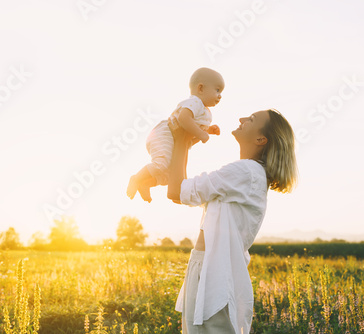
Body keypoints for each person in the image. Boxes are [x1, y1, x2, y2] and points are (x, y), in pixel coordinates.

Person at [167, 109, 298, 334]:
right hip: (207, 266)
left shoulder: (245, 171)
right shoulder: (250, 175)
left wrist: (181, 137)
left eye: (252, 119)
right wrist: (185, 141)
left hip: (213, 271)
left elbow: (176, 191)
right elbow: (183, 193)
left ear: (260, 139)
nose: (241, 119)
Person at [126, 68, 224, 203]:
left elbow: (191, 132)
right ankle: (136, 178)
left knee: (169, 176)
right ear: (200, 88)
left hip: (174, 139)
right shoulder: (195, 102)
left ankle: (145, 183)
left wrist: (209, 130)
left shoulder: (205, 112)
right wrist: (201, 133)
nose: (220, 95)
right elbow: (184, 119)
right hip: (164, 134)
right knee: (161, 164)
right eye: (217, 90)